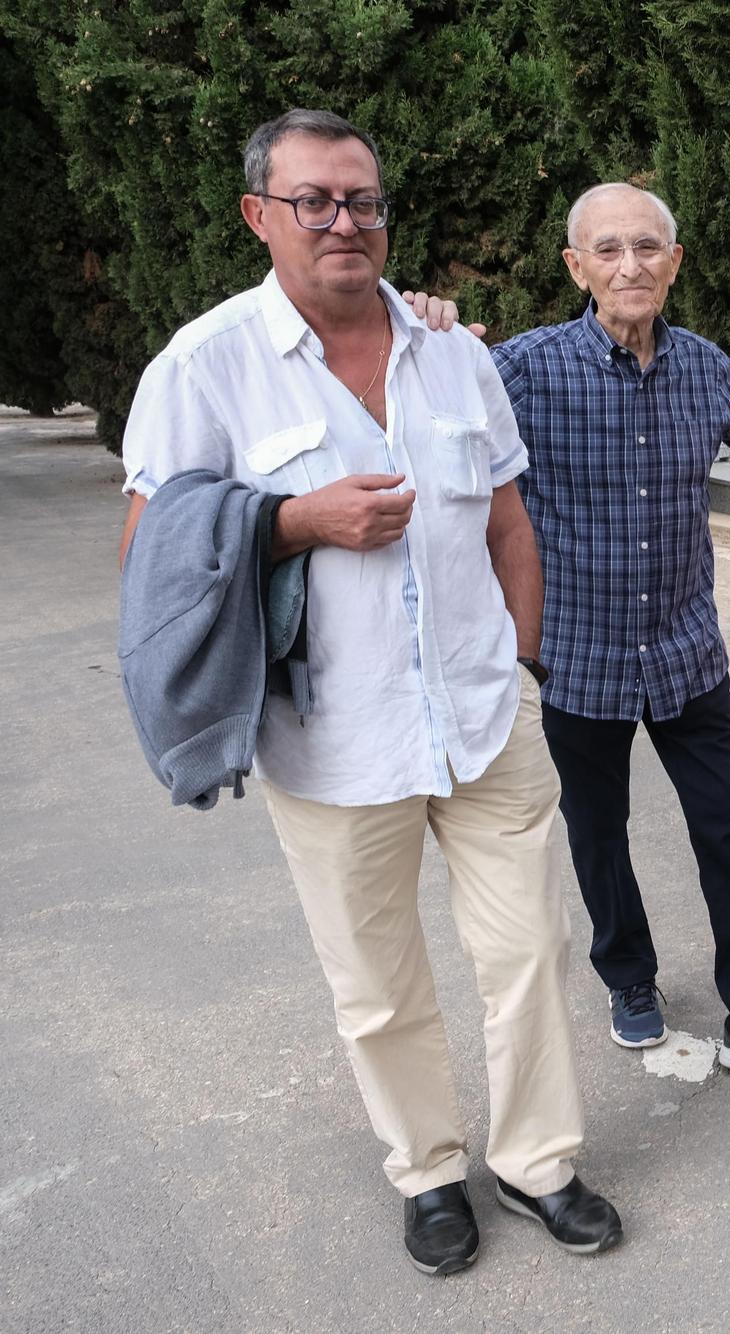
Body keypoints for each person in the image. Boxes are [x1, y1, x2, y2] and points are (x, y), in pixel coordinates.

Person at [116, 109, 618, 1277]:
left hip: (489, 719)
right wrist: (295, 521)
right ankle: (429, 1169)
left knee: (531, 953)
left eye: (363, 200)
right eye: (315, 201)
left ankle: (537, 1159)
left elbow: (507, 522)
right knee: (377, 984)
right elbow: (151, 553)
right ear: (260, 215)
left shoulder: (453, 351)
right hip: (334, 740)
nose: (345, 221)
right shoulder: (205, 364)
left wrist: (528, 666)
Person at [407, 183, 730, 1080]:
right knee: (599, 831)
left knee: (728, 827)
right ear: (576, 267)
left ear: (674, 263)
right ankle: (629, 976)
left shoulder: (701, 364)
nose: (631, 265)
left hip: (687, 651)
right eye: (609, 250)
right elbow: (438, 435)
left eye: (648, 248)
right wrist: (429, 340)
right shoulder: (528, 370)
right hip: (578, 655)